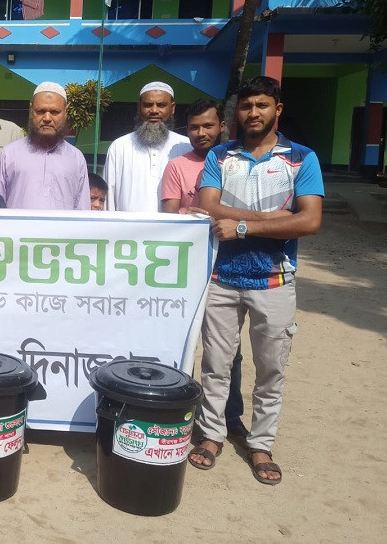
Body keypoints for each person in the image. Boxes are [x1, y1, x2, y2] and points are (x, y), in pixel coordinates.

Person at [188, 76, 323, 486]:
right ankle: (211, 435)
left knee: (271, 369)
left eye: (262, 105)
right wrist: (276, 219)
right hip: (221, 277)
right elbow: (207, 208)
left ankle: (261, 444)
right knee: (215, 365)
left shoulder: (301, 158)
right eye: (246, 106)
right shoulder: (220, 156)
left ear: (276, 109)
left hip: (274, 280)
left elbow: (310, 221)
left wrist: (244, 225)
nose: (253, 113)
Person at [159, 99, 246, 439]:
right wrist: (188, 214)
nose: (201, 133)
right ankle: (181, 409)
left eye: (208, 125)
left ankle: (230, 416)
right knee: (184, 343)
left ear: (222, 126)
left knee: (227, 349)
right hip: (190, 272)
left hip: (230, 266)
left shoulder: (236, 162)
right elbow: (168, 215)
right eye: (194, 127)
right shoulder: (177, 166)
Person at [0, 82, 90, 210]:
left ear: (66, 112)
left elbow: (82, 210)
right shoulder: (10, 154)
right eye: (40, 111)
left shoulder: (76, 158)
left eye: (54, 112)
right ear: (31, 110)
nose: (47, 118)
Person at [102, 81, 191, 211]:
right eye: (148, 105)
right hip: (128, 224)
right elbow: (108, 196)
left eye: (161, 105)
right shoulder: (119, 147)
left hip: (173, 224)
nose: (154, 110)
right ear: (139, 107)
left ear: (172, 108)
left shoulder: (186, 146)